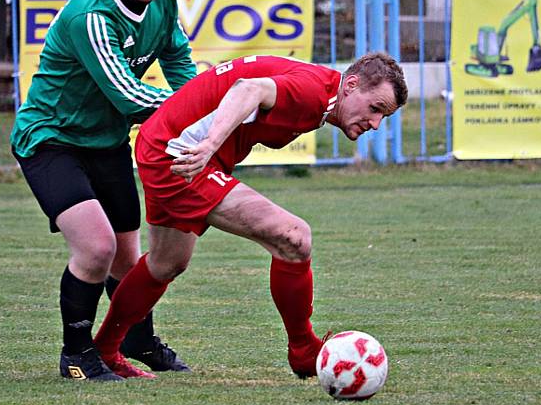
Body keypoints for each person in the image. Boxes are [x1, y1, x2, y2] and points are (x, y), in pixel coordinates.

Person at [93, 52, 408, 379]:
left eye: (384, 117)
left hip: (169, 148)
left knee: (166, 262)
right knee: (294, 237)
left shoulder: (324, 93)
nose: (375, 124)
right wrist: (209, 145)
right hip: (181, 156)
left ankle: (103, 351)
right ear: (351, 85)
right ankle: (303, 349)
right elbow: (248, 88)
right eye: (375, 109)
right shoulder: (315, 92)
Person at [10, 0, 197, 381]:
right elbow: (128, 95)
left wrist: (206, 107)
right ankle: (76, 354)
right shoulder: (90, 16)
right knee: (96, 248)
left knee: (127, 260)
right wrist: (201, 114)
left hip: (106, 141)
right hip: (50, 140)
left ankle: (137, 339)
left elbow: (176, 57)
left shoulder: (164, 1)